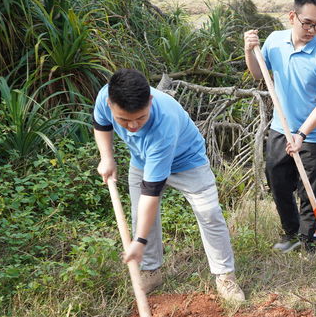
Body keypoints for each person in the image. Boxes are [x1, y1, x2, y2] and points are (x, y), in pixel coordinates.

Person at [93, 68, 245, 302]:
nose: (133, 126)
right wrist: (107, 157)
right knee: (140, 216)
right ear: (110, 103)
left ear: (150, 101)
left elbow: (151, 195)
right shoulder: (106, 98)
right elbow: (101, 125)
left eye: (140, 118)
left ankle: (225, 276)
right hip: (142, 160)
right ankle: (151, 271)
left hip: (188, 161)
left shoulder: (164, 124)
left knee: (209, 214)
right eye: (124, 120)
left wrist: (139, 242)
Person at [243, 0, 316, 253]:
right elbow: (257, 75)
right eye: (307, 22)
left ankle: (308, 242)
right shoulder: (275, 41)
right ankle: (291, 233)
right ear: (292, 17)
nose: (312, 29)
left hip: (313, 134)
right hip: (280, 127)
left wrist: (302, 134)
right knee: (277, 180)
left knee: (309, 191)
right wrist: (249, 51)